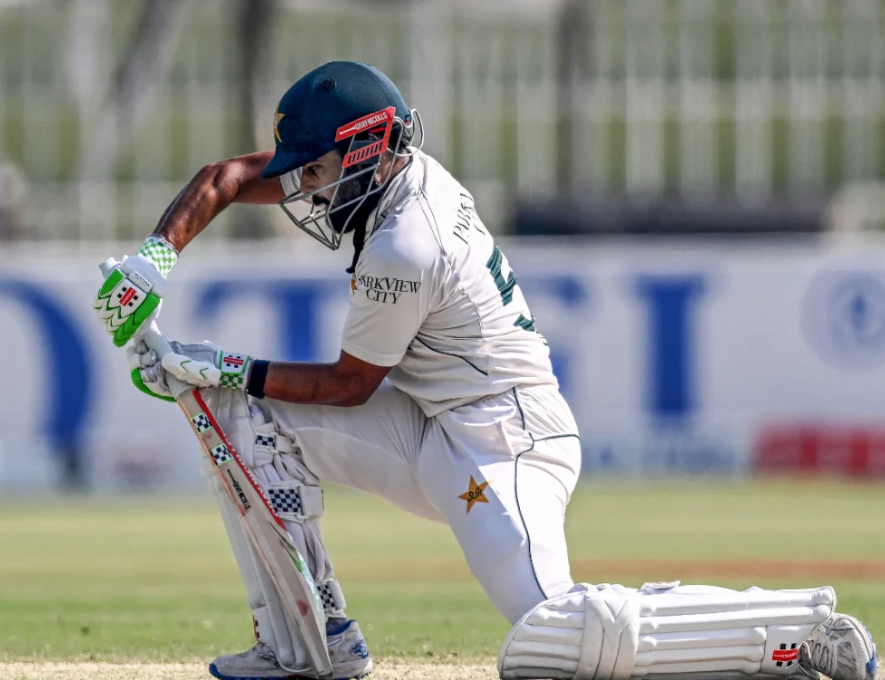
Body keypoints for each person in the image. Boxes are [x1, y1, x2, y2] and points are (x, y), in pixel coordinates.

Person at [94, 61, 877, 680]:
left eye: (319, 168)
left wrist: (219, 360)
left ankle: (797, 632)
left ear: (367, 149)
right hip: (433, 421)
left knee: (552, 637)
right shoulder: (391, 172)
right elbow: (226, 176)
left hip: (504, 442)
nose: (305, 187)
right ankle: (310, 647)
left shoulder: (408, 240)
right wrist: (152, 262)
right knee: (233, 413)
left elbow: (348, 386)